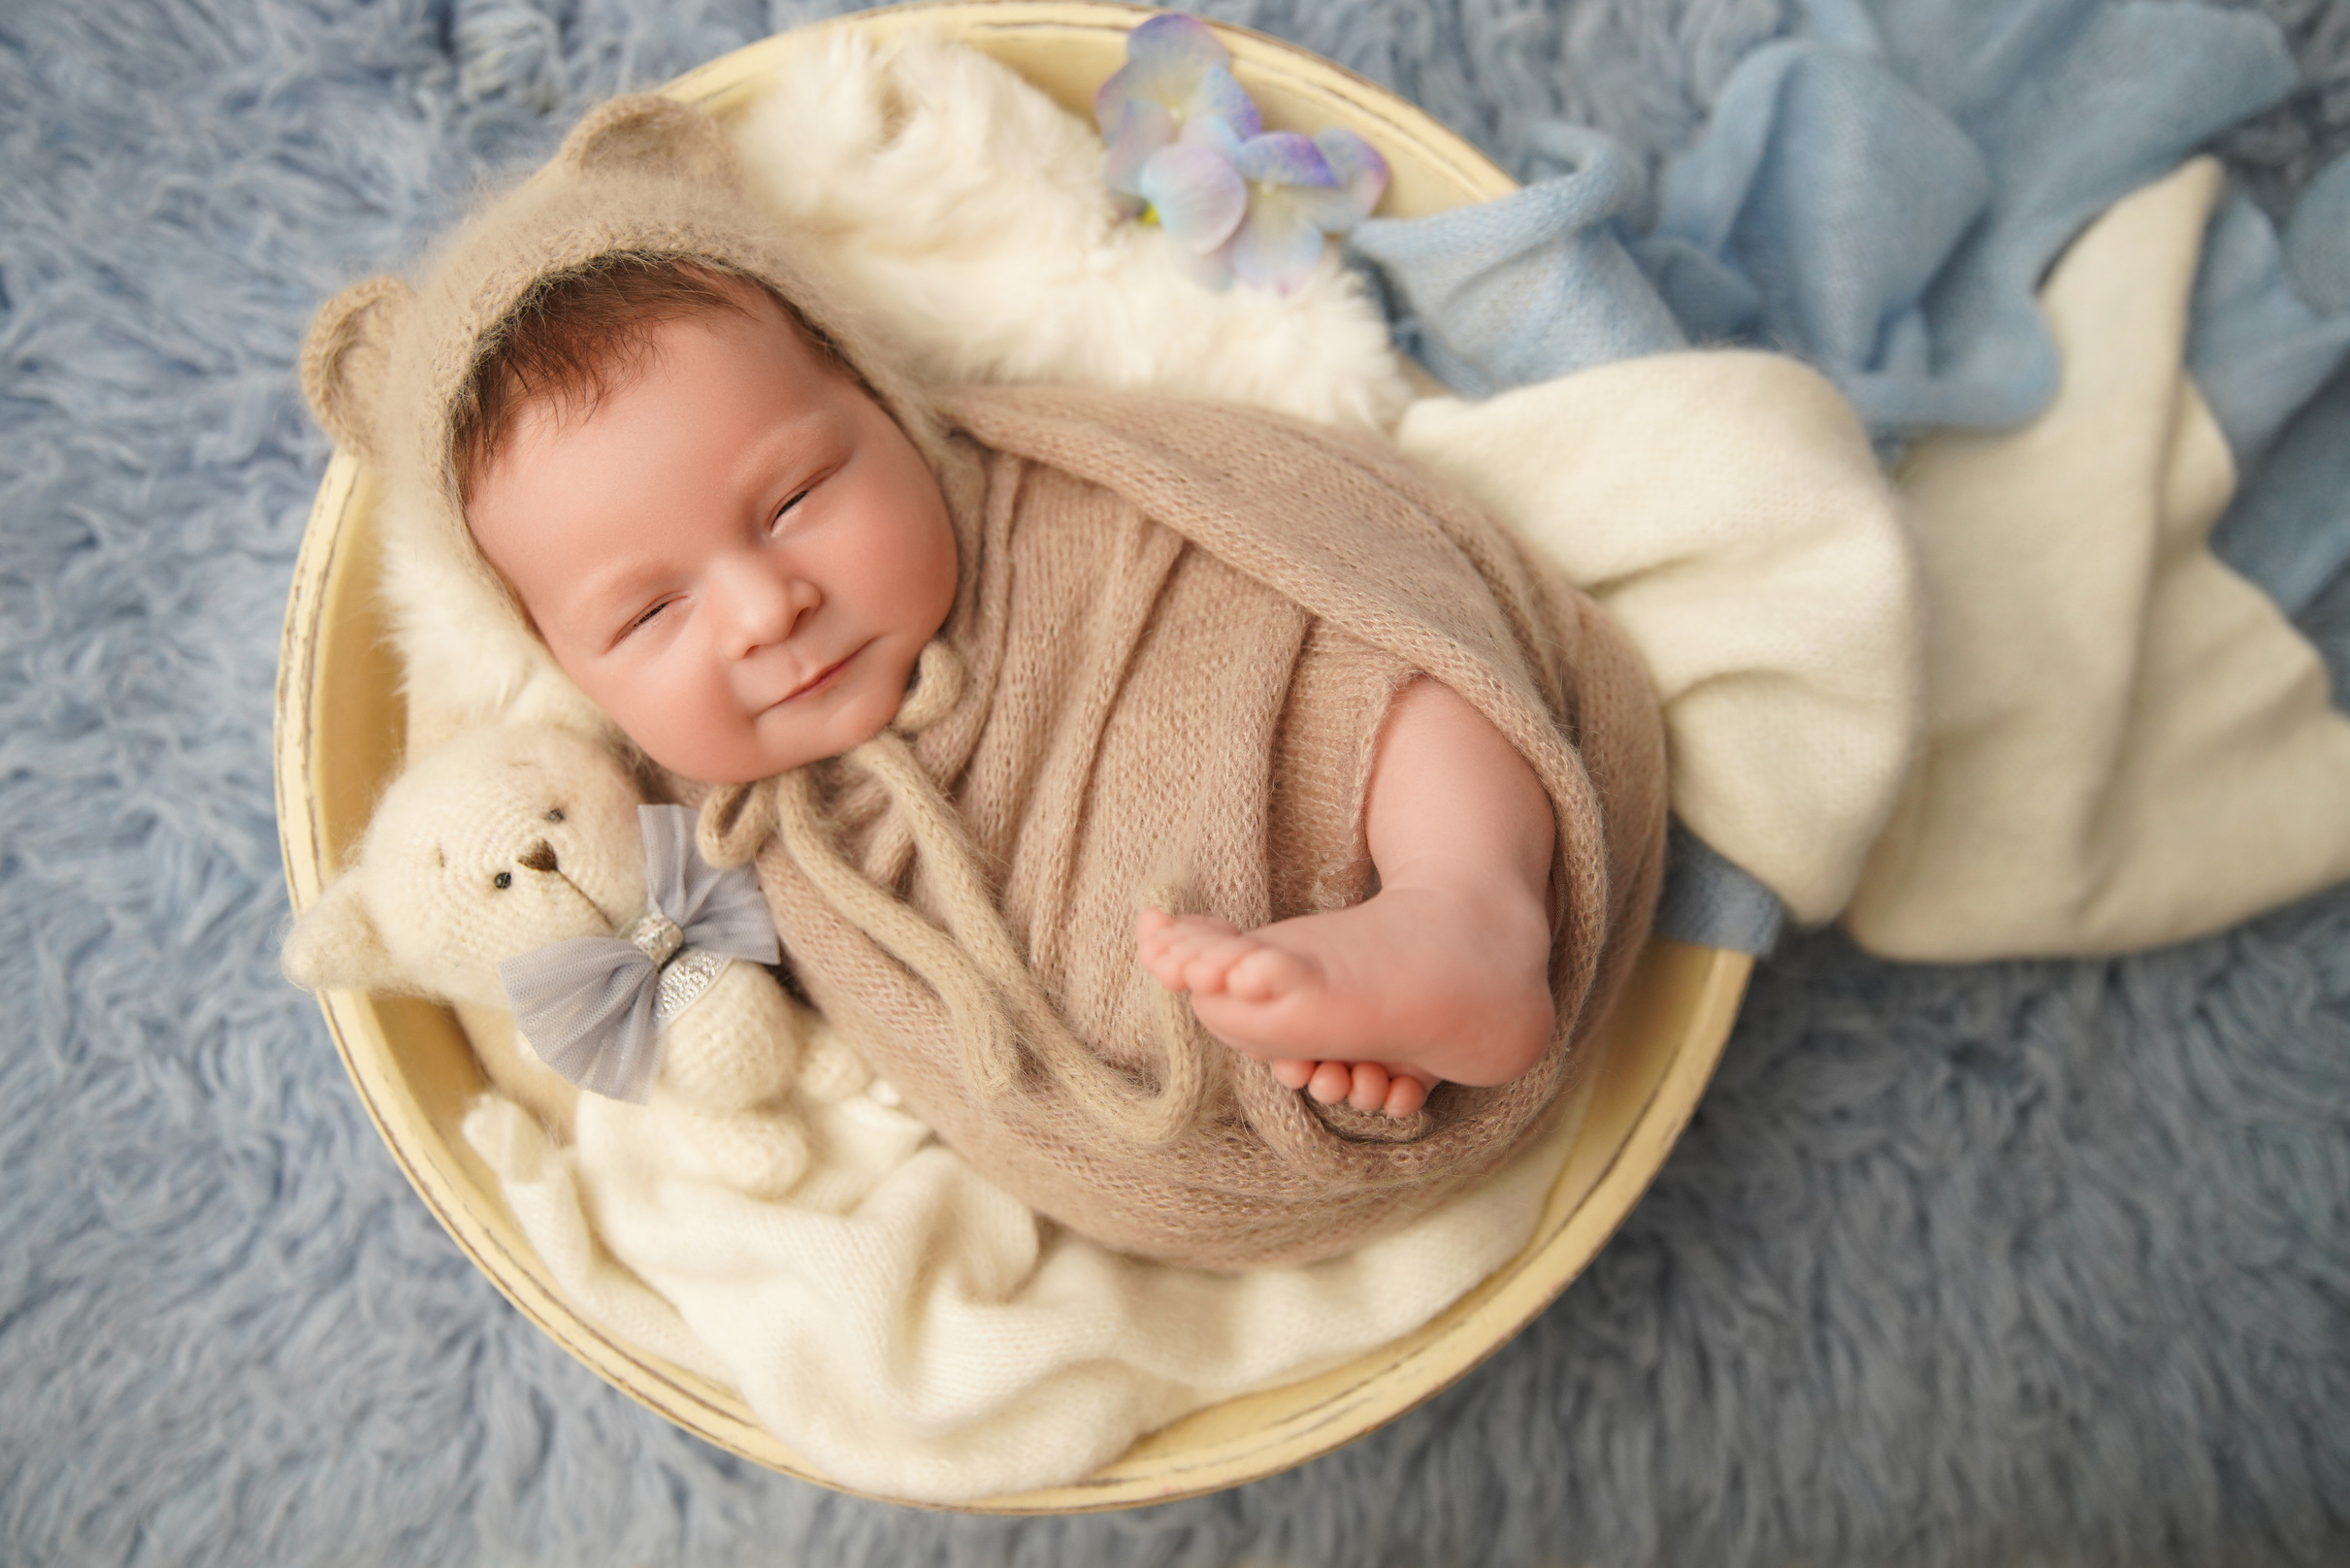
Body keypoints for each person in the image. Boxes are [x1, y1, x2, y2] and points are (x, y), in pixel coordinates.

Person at [301, 91, 1665, 1267]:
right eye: (652, 610)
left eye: (793, 499)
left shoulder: (1067, 490)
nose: (767, 606)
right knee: (1135, 1026)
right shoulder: (733, 840)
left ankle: (1467, 908)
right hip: (1211, 1058)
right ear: (563, 668)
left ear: (888, 406)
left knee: (1381, 672)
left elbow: (1320, 524)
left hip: (1348, 780)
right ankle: (1359, 1028)